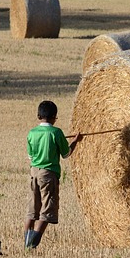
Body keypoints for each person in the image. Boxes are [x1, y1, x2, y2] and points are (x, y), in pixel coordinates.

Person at [24, 100, 81, 249]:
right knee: (47, 209)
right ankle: (32, 245)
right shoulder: (56, 132)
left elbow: (30, 156)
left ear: (38, 116)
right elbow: (66, 153)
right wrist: (76, 140)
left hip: (33, 173)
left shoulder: (32, 133)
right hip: (48, 174)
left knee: (33, 208)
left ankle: (25, 242)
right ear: (54, 117)